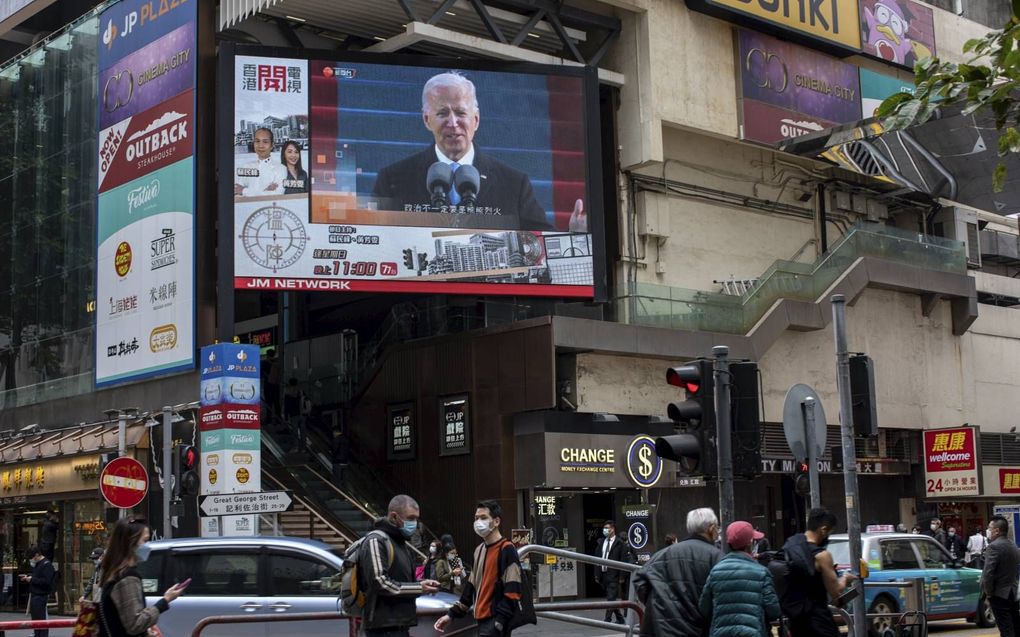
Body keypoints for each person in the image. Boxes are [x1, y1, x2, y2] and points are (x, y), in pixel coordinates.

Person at [371, 71, 586, 233]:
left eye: (461, 113)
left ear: (476, 119)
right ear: (426, 119)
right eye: (442, 113)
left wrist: (573, 237)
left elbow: (539, 241)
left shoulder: (513, 184)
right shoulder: (393, 179)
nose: (453, 123)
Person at [434, 500, 524, 637]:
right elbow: (471, 587)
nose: (478, 522)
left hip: (495, 622)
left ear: (496, 522)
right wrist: (451, 615)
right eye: (476, 518)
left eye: (483, 518)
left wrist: (499, 622)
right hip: (481, 620)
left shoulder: (507, 549)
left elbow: (513, 591)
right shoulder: (479, 550)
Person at [632, 507, 721, 637]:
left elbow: (640, 580)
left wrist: (657, 603)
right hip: (698, 629)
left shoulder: (661, 555)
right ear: (711, 528)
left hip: (660, 627)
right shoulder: (716, 557)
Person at [360, 495, 440, 637]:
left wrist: (421, 583)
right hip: (383, 627)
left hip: (399, 625)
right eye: (410, 518)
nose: (414, 523)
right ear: (394, 516)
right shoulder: (376, 540)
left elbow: (400, 578)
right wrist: (418, 587)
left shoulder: (400, 542)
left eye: (416, 518)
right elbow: (379, 582)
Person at [97, 518, 184, 637]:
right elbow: (135, 624)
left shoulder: (114, 572)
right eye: (145, 540)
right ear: (131, 543)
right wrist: (165, 601)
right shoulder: (127, 578)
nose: (148, 546)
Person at [780, 507, 855, 637]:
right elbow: (836, 593)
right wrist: (845, 579)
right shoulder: (822, 556)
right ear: (823, 529)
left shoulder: (790, 546)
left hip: (796, 621)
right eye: (829, 532)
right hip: (819, 621)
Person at [699, 521, 780, 637]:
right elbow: (774, 612)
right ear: (750, 543)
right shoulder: (762, 572)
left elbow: (704, 608)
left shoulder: (715, 572)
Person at [982, 515, 1020, 636]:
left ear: (997, 531)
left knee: (1005, 628)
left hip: (999, 594)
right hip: (1013, 592)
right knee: (1015, 626)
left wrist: (988, 594)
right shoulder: (1013, 545)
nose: (988, 531)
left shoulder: (993, 547)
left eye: (989, 528)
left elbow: (988, 574)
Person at [594, 520, 632, 624]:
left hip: (614, 575)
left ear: (613, 529)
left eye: (607, 528)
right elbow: (596, 558)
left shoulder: (620, 544)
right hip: (603, 574)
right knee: (611, 598)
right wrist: (597, 574)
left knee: (611, 597)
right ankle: (620, 618)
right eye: (604, 528)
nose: (605, 530)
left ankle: (607, 619)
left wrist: (622, 576)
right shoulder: (601, 542)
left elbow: (623, 560)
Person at [233, 127, 287, 197]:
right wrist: (265, 191)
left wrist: (244, 190)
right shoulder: (246, 166)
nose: (260, 146)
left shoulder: (281, 169)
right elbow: (236, 192)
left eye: (265, 142)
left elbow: (277, 194)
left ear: (272, 145)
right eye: (257, 141)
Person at [20, 546, 55, 637]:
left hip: (41, 596)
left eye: (31, 558)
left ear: (36, 555)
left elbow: (46, 582)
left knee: (41, 620)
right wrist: (29, 577)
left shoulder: (46, 565)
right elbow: (38, 577)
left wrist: (32, 579)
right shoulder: (38, 564)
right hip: (35, 595)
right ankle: (37, 634)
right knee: (36, 621)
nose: (31, 560)